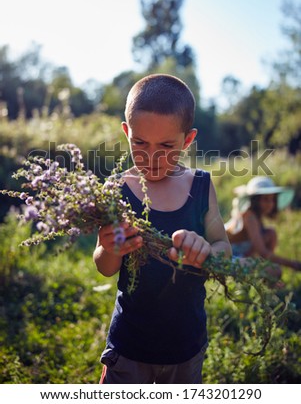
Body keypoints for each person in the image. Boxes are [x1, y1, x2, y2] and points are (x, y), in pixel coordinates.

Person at [93, 74, 231, 384]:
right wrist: (109, 249)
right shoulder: (115, 190)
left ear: (187, 140)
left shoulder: (201, 186)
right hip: (129, 345)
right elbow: (104, 267)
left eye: (167, 145)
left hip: (186, 345)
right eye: (139, 142)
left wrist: (207, 252)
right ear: (126, 132)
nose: (151, 156)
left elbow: (223, 246)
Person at [225, 176, 301, 274]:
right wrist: (292, 264)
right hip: (227, 257)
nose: (270, 204)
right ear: (256, 200)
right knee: (275, 271)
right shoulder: (249, 216)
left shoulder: (256, 217)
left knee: (270, 233)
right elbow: (263, 252)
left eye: (272, 199)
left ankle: (264, 280)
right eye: (265, 199)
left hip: (242, 256)